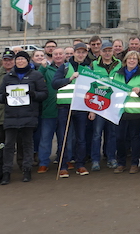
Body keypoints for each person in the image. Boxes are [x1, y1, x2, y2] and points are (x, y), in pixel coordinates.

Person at [0, 51, 47, 184]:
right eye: (18, 59)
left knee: (27, 144)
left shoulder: (36, 75)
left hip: (28, 115)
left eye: (22, 59)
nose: (20, 61)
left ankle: (27, 170)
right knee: (8, 145)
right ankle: (6, 172)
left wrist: (33, 94)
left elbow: (44, 94)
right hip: (11, 115)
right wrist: (4, 97)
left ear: (27, 60)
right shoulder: (8, 77)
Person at [51, 42, 91, 178]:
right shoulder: (65, 66)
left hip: (81, 107)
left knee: (81, 138)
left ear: (86, 54)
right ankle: (63, 165)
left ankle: (80, 164)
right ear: (74, 53)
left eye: (83, 52)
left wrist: (92, 109)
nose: (81, 55)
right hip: (65, 107)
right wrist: (70, 78)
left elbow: (93, 89)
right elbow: (55, 84)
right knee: (63, 137)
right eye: (78, 52)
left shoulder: (88, 68)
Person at [113, 51, 140, 173]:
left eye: (134, 59)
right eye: (130, 58)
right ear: (125, 60)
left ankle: (135, 163)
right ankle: (121, 163)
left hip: (136, 112)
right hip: (121, 112)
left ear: (138, 61)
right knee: (120, 138)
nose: (132, 60)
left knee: (135, 138)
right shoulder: (117, 74)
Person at [90, 40, 121, 171]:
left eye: (109, 50)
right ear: (100, 52)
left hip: (113, 104)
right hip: (99, 105)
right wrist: (90, 109)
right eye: (105, 50)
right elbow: (89, 85)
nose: (107, 53)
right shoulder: (93, 65)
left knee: (112, 133)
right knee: (97, 134)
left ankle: (111, 158)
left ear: (113, 51)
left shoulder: (119, 64)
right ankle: (95, 160)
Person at [37, 48, 66, 173]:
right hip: (49, 108)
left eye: (60, 54)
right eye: (56, 54)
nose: (58, 56)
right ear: (51, 56)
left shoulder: (68, 69)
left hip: (64, 108)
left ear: (64, 56)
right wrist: (42, 68)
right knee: (45, 138)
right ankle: (43, 162)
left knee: (63, 138)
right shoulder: (46, 69)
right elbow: (37, 79)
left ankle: (63, 159)